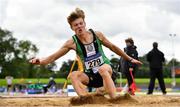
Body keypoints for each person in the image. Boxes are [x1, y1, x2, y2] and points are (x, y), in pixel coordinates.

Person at [29, 8, 142, 99]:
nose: (79, 26)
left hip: (107, 72)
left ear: (84, 23)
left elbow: (113, 47)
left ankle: (115, 99)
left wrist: (130, 59)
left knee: (102, 69)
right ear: (72, 28)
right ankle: (86, 100)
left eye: (80, 23)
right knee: (73, 75)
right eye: (75, 25)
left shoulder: (97, 35)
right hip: (91, 76)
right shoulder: (71, 42)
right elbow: (53, 57)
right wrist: (40, 61)